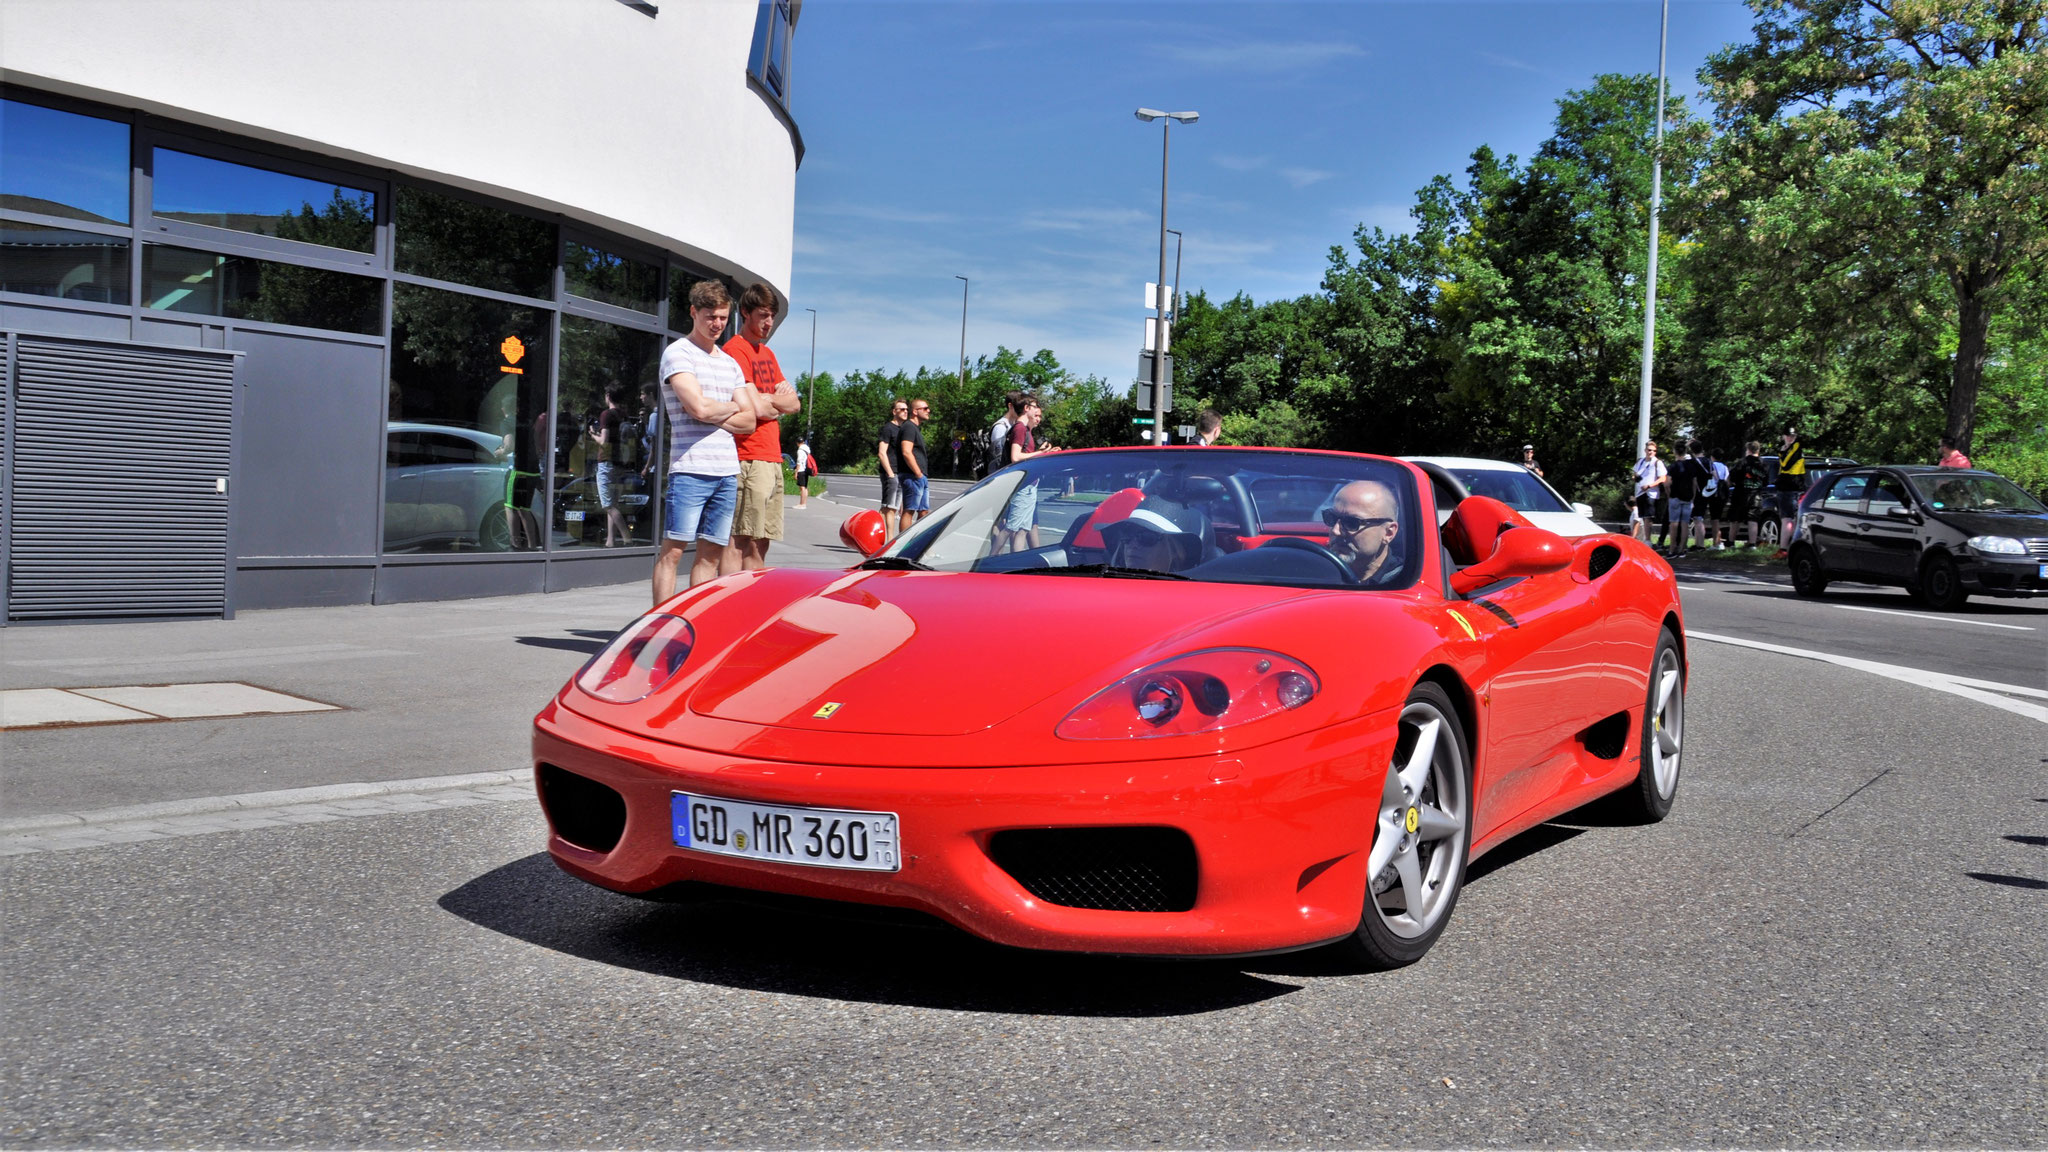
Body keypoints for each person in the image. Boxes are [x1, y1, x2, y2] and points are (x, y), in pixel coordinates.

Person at [653, 279, 756, 603]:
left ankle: (693, 623)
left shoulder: (729, 363)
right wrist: (730, 408)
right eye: (710, 316)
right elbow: (696, 407)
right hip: (690, 469)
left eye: (723, 317)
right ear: (694, 312)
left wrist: (714, 409)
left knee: (711, 556)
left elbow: (750, 420)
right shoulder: (678, 354)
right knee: (673, 552)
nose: (717, 324)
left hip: (726, 471)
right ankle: (659, 626)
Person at [722, 282, 802, 572]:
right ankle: (728, 605)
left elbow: (794, 403)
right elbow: (754, 410)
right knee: (740, 538)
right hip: (749, 456)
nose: (768, 323)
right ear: (746, 312)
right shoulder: (735, 350)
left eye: (772, 317)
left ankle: (749, 602)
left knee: (762, 540)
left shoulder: (767, 354)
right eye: (763, 315)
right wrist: (773, 402)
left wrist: (769, 401)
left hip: (772, 456)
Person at [995, 394, 1060, 554]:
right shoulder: (1019, 428)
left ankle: (1017, 562)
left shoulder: (1025, 430)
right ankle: (990, 558)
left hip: (1030, 484)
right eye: (1034, 406)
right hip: (1023, 485)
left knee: (1022, 529)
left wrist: (1045, 453)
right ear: (1026, 408)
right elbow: (1015, 457)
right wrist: (1040, 453)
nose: (1037, 410)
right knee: (1011, 528)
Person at [1323, 480, 1404, 585]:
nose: (1335, 531)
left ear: (1388, 533)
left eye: (1352, 523)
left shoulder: (1404, 581)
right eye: (1332, 518)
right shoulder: (1315, 572)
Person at [1099, 496, 1208, 572]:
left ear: (1175, 551)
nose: (1133, 545)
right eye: (1127, 536)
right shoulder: (1103, 586)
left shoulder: (1189, 598)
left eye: (1146, 538)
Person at [591, 384, 630, 547]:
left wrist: (593, 434)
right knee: (614, 504)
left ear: (608, 395)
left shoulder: (606, 415)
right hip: (620, 462)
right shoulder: (624, 415)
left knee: (607, 505)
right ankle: (610, 540)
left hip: (606, 462)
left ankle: (627, 537)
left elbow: (604, 441)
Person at [897, 398, 934, 536]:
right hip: (912, 475)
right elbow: (906, 451)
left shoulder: (915, 428)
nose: (928, 410)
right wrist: (917, 473)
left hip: (920, 476)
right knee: (909, 510)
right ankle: (903, 547)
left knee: (924, 511)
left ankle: (918, 546)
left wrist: (921, 475)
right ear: (915, 411)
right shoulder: (908, 427)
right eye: (925, 408)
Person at [1665, 441, 1706, 558]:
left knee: (1673, 524)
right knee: (1684, 524)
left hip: (1675, 497)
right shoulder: (1691, 466)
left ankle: (1672, 548)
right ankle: (1682, 548)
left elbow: (1667, 483)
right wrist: (1693, 496)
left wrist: (1669, 495)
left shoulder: (1672, 466)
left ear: (1675, 452)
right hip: (1688, 498)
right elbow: (1694, 482)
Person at [877, 399, 907, 541]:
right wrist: (889, 473)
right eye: (901, 409)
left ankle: (876, 535)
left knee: (892, 508)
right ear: (894, 412)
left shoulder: (904, 429)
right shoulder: (888, 428)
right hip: (891, 472)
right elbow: (882, 452)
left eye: (906, 409)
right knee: (889, 507)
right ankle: (889, 540)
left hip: (901, 472)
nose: (905, 411)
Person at [1729, 441, 1768, 547]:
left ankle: (1731, 543)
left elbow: (1732, 476)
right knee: (1753, 519)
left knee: (1735, 519)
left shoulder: (1742, 462)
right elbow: (1766, 481)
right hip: (1756, 494)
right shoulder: (1763, 464)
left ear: (1749, 450)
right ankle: (1752, 544)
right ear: (1758, 450)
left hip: (1740, 493)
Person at [1774, 428, 1807, 553]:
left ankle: (1784, 549)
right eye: (1788, 436)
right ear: (1783, 436)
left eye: (1792, 436)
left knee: (1788, 519)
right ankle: (1788, 548)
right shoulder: (1786, 448)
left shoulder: (1796, 447)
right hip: (1786, 486)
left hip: (1792, 487)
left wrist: (1782, 453)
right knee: (1789, 519)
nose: (1790, 438)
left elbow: (1786, 465)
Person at [1629, 441, 1667, 541]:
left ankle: (1648, 540)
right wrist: (1635, 478)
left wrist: (1649, 485)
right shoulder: (1640, 462)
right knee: (1641, 516)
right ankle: (1639, 539)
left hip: (1651, 493)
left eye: (1654, 451)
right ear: (1645, 450)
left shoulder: (1657, 462)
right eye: (1649, 450)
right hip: (1640, 492)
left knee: (1648, 517)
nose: (1651, 452)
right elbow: (1635, 474)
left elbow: (1662, 478)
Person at [987, 390, 1023, 476]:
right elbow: (998, 459)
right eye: (1019, 406)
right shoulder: (1001, 427)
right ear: (1010, 406)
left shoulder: (1015, 425)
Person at [1701, 446, 1730, 548]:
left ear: (1712, 456)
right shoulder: (1725, 467)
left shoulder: (1711, 465)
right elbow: (1727, 481)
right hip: (1722, 495)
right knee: (1717, 518)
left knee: (1713, 519)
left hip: (1713, 493)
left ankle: (1716, 542)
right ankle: (1718, 541)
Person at [793, 436, 814, 508]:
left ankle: (802, 504)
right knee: (805, 487)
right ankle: (804, 503)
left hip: (801, 470)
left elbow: (799, 462)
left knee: (802, 488)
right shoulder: (807, 449)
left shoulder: (800, 450)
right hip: (806, 470)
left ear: (797, 443)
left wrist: (796, 472)